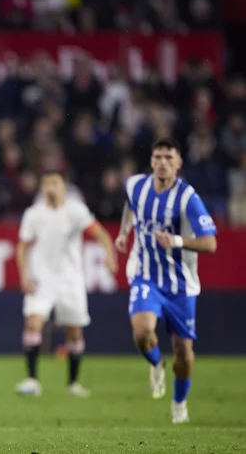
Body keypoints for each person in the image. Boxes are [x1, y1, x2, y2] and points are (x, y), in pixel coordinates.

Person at [115, 137, 217, 424]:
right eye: (158, 156)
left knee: (183, 352)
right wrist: (125, 231)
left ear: (178, 163)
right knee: (142, 331)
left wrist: (176, 240)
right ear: (151, 161)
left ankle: (179, 402)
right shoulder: (136, 185)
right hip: (145, 275)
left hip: (180, 284)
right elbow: (130, 204)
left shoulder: (187, 198)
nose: (162, 162)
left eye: (169, 158)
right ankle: (156, 364)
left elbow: (210, 244)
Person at [15, 171, 118, 397]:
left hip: (70, 279)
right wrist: (24, 274)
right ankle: (32, 380)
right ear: (42, 188)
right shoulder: (34, 214)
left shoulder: (76, 210)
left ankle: (73, 383)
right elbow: (22, 245)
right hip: (41, 278)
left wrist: (109, 254)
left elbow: (99, 232)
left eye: (55, 183)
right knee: (33, 323)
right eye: (46, 183)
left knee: (74, 331)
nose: (50, 187)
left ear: (63, 187)